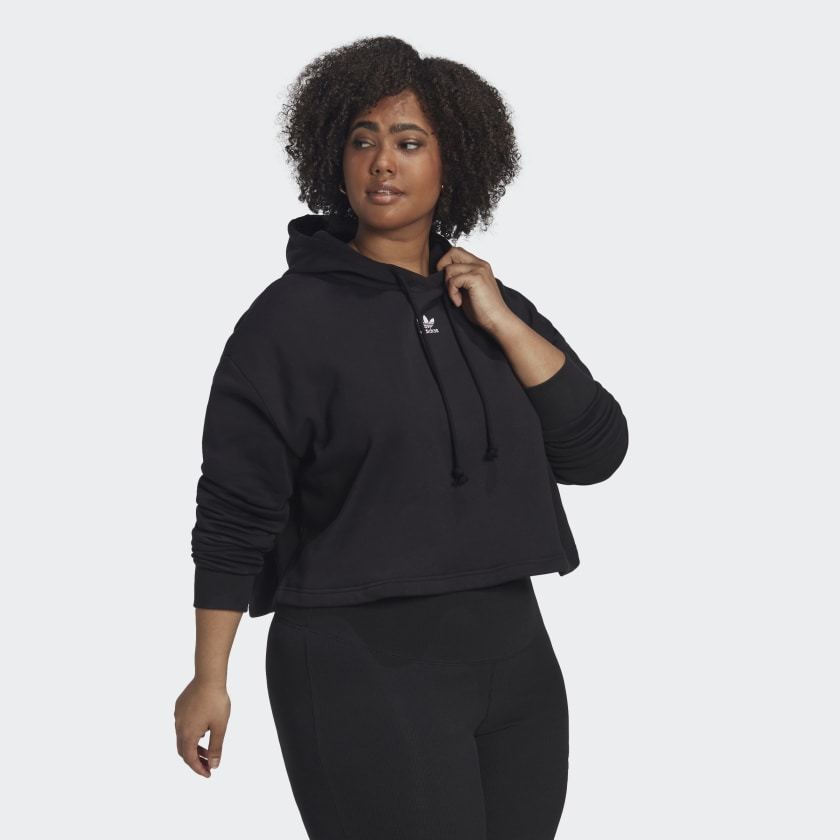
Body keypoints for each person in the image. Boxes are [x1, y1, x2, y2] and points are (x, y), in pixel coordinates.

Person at [174, 35, 629, 839]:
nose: (383, 162)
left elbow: (594, 451)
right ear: (336, 160)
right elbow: (236, 509)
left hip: (514, 655)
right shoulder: (287, 323)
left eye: (409, 142)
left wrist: (501, 320)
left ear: (454, 163)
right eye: (363, 141)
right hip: (358, 662)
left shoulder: (490, 305)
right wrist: (210, 677)